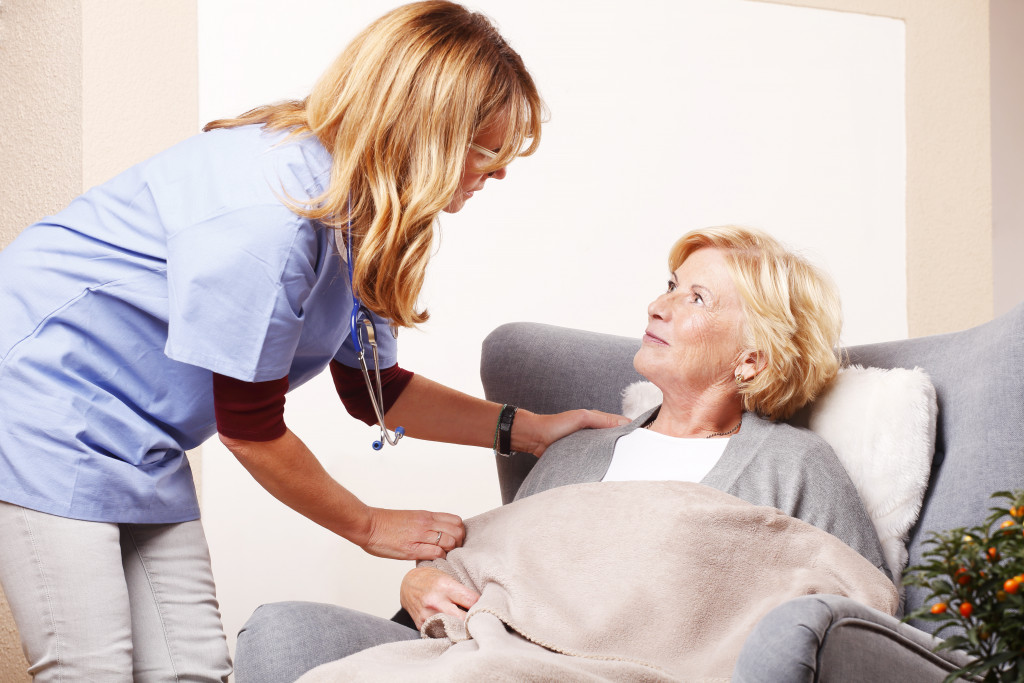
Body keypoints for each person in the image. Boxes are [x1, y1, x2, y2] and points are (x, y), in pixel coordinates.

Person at [0, 3, 628, 681]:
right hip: (41, 400)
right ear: (425, 130)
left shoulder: (365, 209)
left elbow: (375, 391)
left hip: (140, 434)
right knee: (91, 667)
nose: (498, 172)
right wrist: (367, 524)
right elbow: (249, 428)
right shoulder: (269, 217)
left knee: (193, 668)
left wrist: (530, 429)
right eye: (487, 149)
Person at [232, 225, 892, 682]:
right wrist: (420, 584)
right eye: (669, 284)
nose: (658, 304)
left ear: (752, 357)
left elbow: (865, 630)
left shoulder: (798, 467)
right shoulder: (578, 454)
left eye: (695, 297)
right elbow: (507, 580)